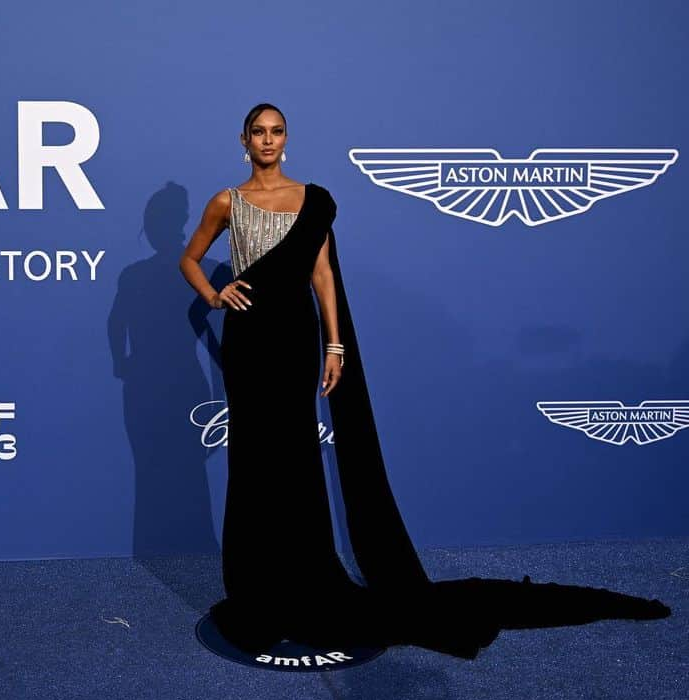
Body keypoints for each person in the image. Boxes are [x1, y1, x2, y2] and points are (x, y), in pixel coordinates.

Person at [177, 103, 671, 660]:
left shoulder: (313, 200)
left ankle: (306, 583)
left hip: (294, 341)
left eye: (277, 131)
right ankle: (256, 589)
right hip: (249, 346)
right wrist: (215, 294)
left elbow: (322, 274)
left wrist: (334, 344)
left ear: (286, 139)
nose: (268, 140)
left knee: (297, 462)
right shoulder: (227, 201)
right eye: (258, 132)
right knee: (255, 463)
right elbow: (190, 258)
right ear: (243, 140)